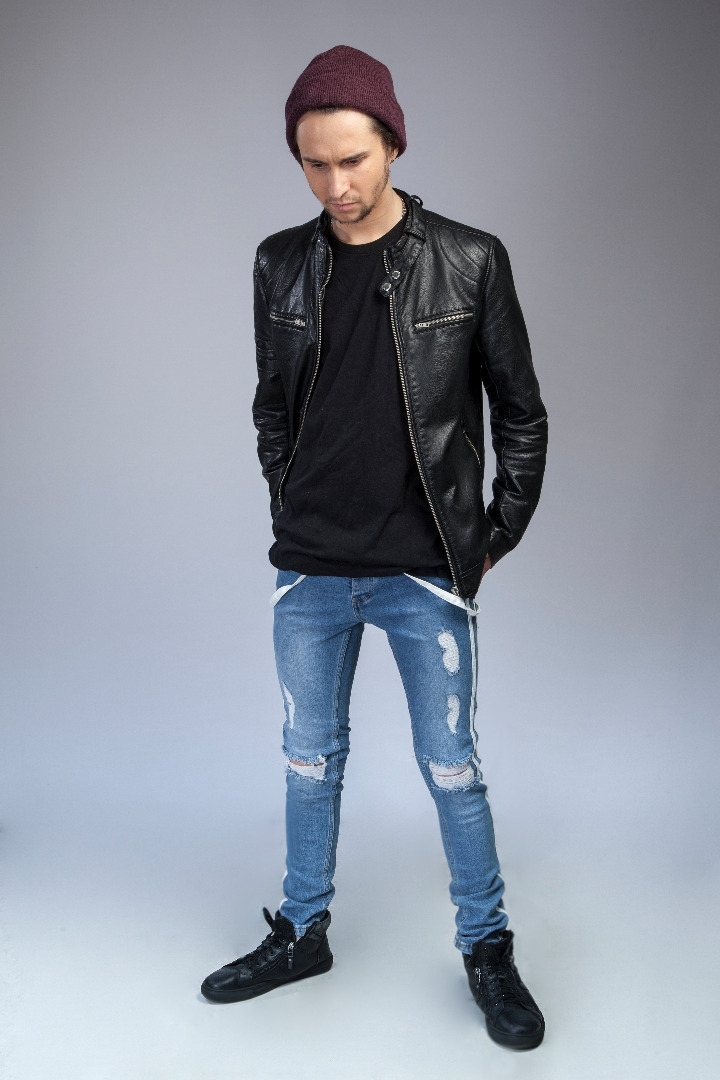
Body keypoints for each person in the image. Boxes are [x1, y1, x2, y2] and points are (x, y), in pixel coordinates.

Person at [201, 45, 548, 1052]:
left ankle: (487, 947)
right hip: (310, 568)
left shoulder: (469, 259)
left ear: (393, 142)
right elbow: (272, 405)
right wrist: (289, 498)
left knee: (453, 769)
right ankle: (301, 932)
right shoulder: (279, 262)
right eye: (313, 164)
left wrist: (493, 533)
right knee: (308, 762)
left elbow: (521, 412)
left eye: (352, 159)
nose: (335, 185)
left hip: (423, 572)